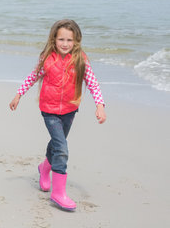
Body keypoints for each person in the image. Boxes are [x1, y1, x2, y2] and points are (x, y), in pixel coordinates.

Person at [9, 19, 106, 211]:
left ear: (76, 41)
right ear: (54, 39)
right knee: (62, 148)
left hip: (70, 110)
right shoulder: (47, 58)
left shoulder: (81, 59)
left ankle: (44, 168)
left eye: (69, 40)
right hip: (49, 110)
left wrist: (100, 105)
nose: (65, 44)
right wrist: (18, 95)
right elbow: (33, 76)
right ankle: (58, 192)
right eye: (61, 39)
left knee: (56, 144)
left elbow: (93, 83)